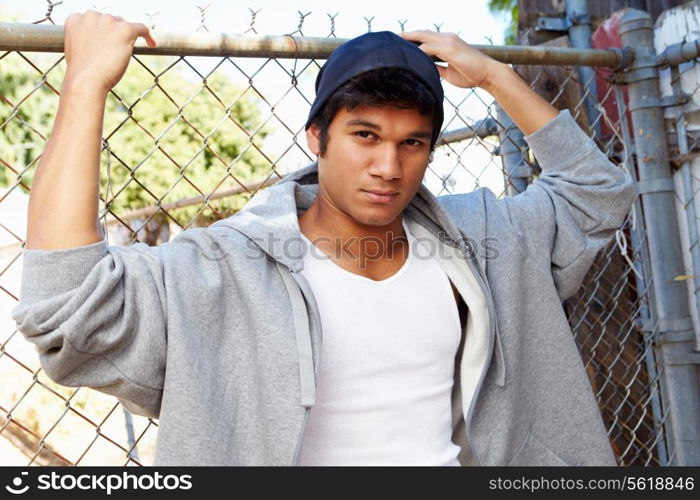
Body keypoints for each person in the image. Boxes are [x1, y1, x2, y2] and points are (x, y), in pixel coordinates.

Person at [12, 11, 636, 466]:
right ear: (317, 138)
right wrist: (84, 84)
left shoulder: (481, 237)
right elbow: (65, 304)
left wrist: (498, 78)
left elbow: (596, 194)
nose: (389, 167)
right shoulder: (224, 265)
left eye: (412, 142)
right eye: (365, 135)